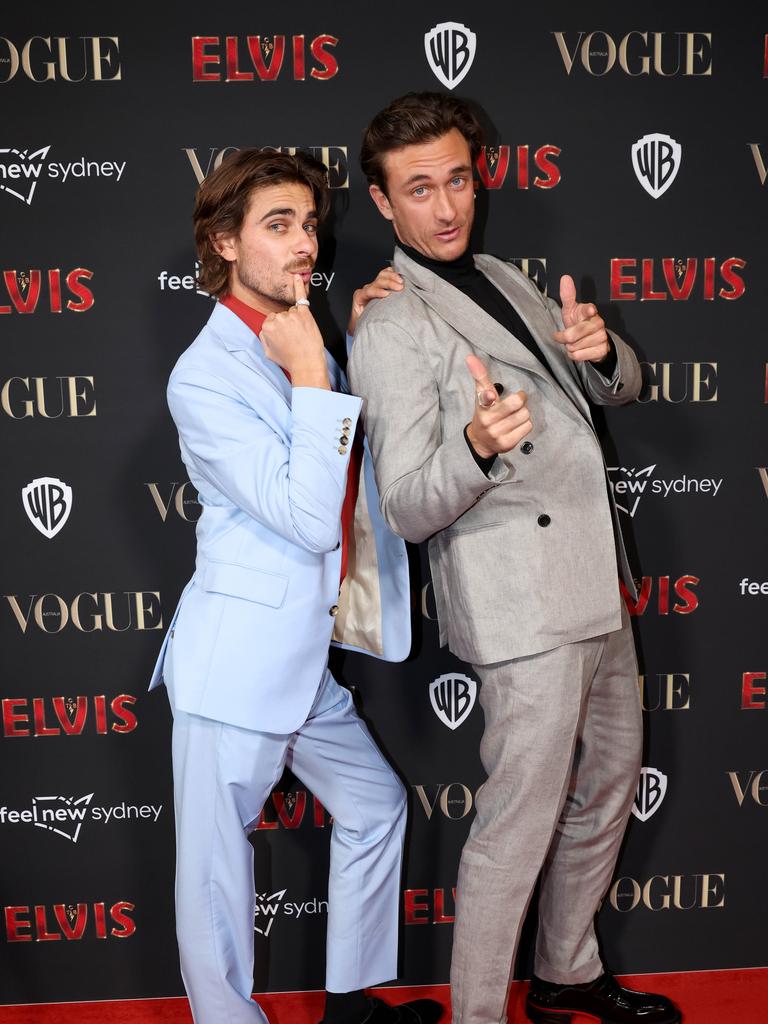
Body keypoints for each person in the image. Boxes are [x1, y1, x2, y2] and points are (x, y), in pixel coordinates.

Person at [348, 93, 681, 1024]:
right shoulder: (388, 326)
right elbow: (409, 505)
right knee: (516, 824)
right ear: (383, 203)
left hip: (594, 579)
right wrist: (479, 450)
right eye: (420, 189)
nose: (447, 207)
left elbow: (611, 388)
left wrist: (604, 350)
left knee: (610, 784)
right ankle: (481, 1015)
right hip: (520, 605)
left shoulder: (501, 271)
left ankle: (566, 968)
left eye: (458, 178)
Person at [148, 148, 439, 1024]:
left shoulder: (304, 335)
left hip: (303, 660)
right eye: (279, 225)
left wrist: (331, 355)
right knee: (214, 879)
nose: (305, 242)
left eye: (310, 223)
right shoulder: (203, 376)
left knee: (376, 807)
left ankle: (350, 1006)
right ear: (225, 243)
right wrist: (316, 371)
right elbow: (308, 517)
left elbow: (343, 478)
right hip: (234, 670)